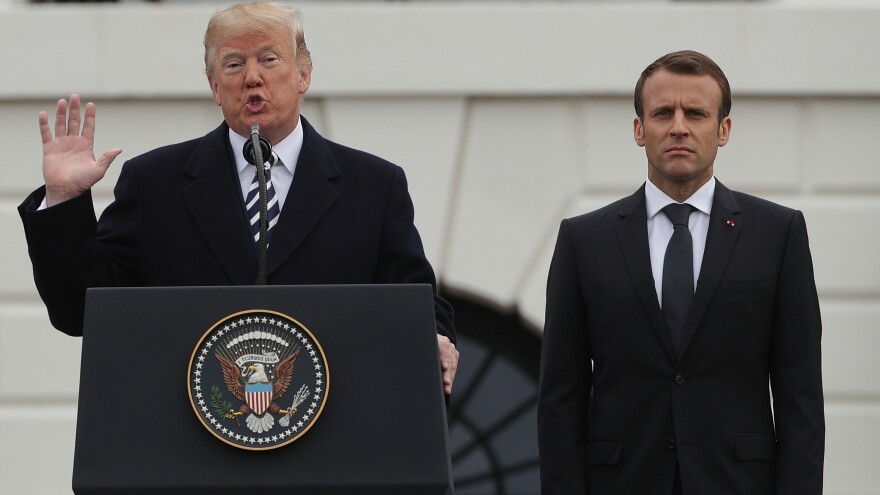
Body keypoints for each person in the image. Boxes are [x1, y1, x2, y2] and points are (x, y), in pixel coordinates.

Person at [18, 2, 458, 395]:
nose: (252, 77)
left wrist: (434, 335)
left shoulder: (373, 186)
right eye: (233, 64)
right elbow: (80, 310)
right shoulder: (155, 183)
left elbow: (415, 296)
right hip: (191, 451)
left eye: (269, 58)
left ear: (304, 73)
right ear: (213, 85)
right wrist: (63, 201)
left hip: (331, 445)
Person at [537, 50, 824, 494]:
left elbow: (800, 397)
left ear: (722, 129)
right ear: (639, 129)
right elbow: (560, 399)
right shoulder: (583, 241)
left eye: (695, 113)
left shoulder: (778, 233)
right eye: (662, 113)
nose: (678, 127)